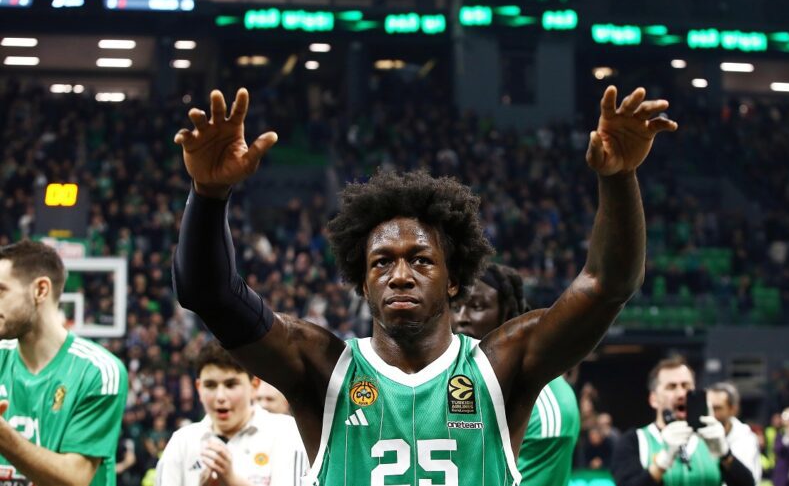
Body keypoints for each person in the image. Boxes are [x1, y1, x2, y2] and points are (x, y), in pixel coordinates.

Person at [172, 85, 677, 485]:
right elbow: (210, 294)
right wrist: (209, 195)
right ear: (362, 282)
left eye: (420, 260)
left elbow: (608, 284)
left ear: (454, 280)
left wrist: (619, 179)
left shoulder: (502, 365)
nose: (399, 275)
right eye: (381, 263)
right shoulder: (320, 368)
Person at [0, 240, 128, 485]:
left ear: (40, 290)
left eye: (1, 291)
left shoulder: (98, 371)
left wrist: (3, 436)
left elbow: (74, 477)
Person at [452, 263, 580, 485]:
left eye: (477, 306)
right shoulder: (458, 380)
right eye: (455, 307)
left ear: (508, 316)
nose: (461, 318)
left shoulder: (544, 403)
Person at [155, 341, 308, 485]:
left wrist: (232, 481)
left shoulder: (286, 432)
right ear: (199, 388)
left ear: (254, 386)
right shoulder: (181, 443)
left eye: (231, 385)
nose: (220, 396)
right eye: (210, 385)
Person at [611, 357, 754, 486]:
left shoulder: (710, 437)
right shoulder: (635, 441)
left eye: (686, 386)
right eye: (671, 387)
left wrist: (725, 454)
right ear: (653, 399)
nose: (681, 394)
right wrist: (662, 462)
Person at [708, 382, 762, 484]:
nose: (711, 414)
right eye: (708, 408)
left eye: (717, 408)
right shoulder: (697, 434)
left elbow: (747, 481)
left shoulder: (745, 439)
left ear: (733, 409)